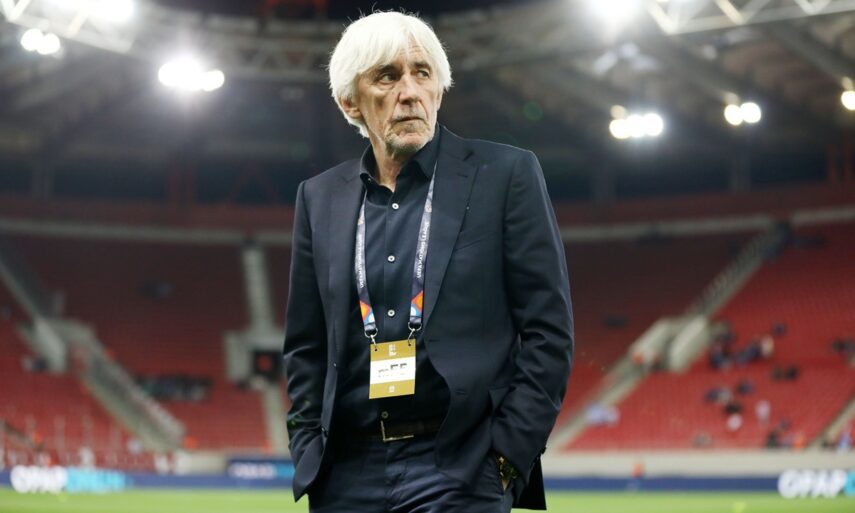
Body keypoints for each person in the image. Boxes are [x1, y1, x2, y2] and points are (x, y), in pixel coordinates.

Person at [281, 11, 574, 512]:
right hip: (347, 473)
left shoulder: (505, 175)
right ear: (350, 101)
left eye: (422, 73)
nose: (410, 92)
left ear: (440, 88)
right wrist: (308, 445)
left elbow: (549, 331)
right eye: (387, 77)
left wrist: (506, 457)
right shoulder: (319, 198)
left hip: (461, 468)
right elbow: (305, 346)